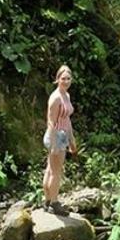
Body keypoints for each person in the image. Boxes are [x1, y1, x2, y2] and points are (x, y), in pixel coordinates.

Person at [42, 65, 77, 215]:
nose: (66, 81)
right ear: (57, 79)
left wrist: (72, 140)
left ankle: (48, 201)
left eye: (68, 78)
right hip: (55, 135)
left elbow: (67, 119)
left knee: (51, 169)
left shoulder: (66, 96)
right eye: (63, 78)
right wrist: (55, 142)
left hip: (63, 134)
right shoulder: (55, 97)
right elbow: (50, 121)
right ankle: (54, 203)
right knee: (56, 172)